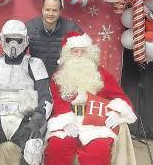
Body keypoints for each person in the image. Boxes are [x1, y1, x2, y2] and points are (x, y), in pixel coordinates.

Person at [0, 20, 52, 165]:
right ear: (1, 39)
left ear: (25, 40)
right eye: (9, 39)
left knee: (33, 148)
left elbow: (46, 98)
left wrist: (36, 123)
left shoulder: (35, 64)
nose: (13, 44)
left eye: (18, 40)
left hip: (25, 121)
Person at [44, 31, 137, 165]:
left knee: (98, 150)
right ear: (68, 54)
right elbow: (58, 102)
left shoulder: (101, 74)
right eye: (75, 51)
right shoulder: (59, 77)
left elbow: (121, 97)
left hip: (95, 122)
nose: (80, 55)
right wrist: (65, 122)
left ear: (90, 53)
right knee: (57, 147)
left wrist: (117, 112)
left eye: (83, 51)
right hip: (69, 120)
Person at [26, 0, 82, 77]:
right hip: (36, 76)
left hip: (62, 77)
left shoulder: (71, 28)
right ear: (42, 9)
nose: (50, 13)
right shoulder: (29, 27)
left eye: (54, 10)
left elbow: (85, 51)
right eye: (47, 10)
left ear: (60, 11)